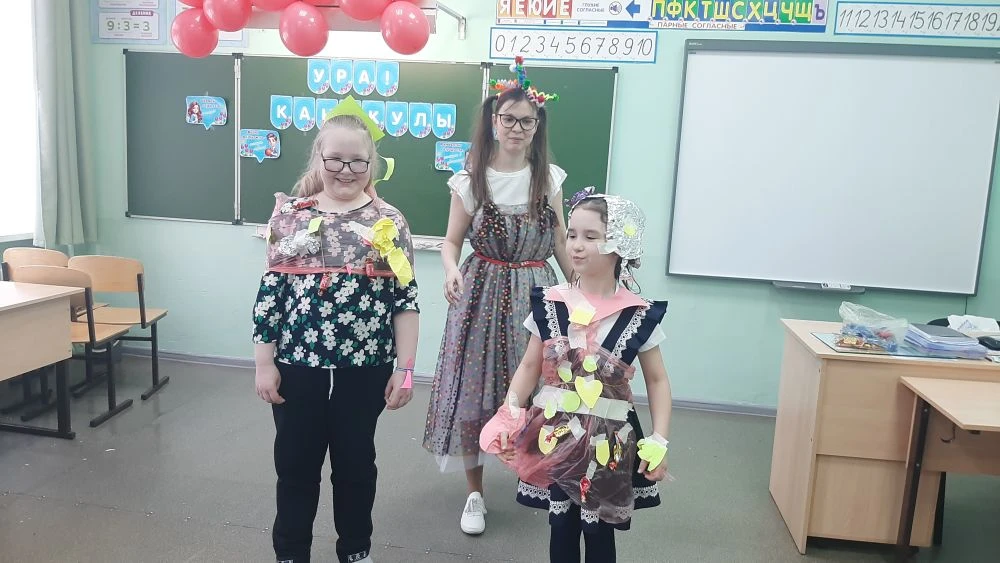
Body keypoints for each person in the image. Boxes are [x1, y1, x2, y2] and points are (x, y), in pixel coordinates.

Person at [252, 96, 419, 563]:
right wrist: (264, 363)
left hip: (365, 370)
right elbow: (271, 295)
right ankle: (291, 553)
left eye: (358, 161)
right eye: (335, 160)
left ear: (372, 163)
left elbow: (405, 302)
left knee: (356, 467)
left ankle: (355, 550)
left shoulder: (390, 222)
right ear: (319, 158)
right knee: (295, 466)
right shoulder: (292, 216)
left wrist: (406, 370)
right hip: (297, 366)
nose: (346, 171)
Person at [479, 188, 673, 563]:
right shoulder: (551, 303)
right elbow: (530, 366)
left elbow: (658, 380)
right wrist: (510, 414)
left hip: (610, 439)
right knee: (561, 527)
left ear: (618, 245)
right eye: (572, 235)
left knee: (600, 531)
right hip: (556, 432)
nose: (576, 245)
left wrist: (660, 439)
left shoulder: (638, 313)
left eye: (590, 236)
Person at [422, 57, 573, 535]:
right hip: (482, 295)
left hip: (536, 291)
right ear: (494, 119)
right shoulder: (471, 179)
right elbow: (451, 242)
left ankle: (546, 478)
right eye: (509, 119)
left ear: (537, 126)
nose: (517, 129)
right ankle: (474, 493)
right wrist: (451, 270)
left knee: (547, 386)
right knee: (476, 388)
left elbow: (561, 241)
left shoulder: (549, 179)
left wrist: (581, 290)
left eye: (527, 121)